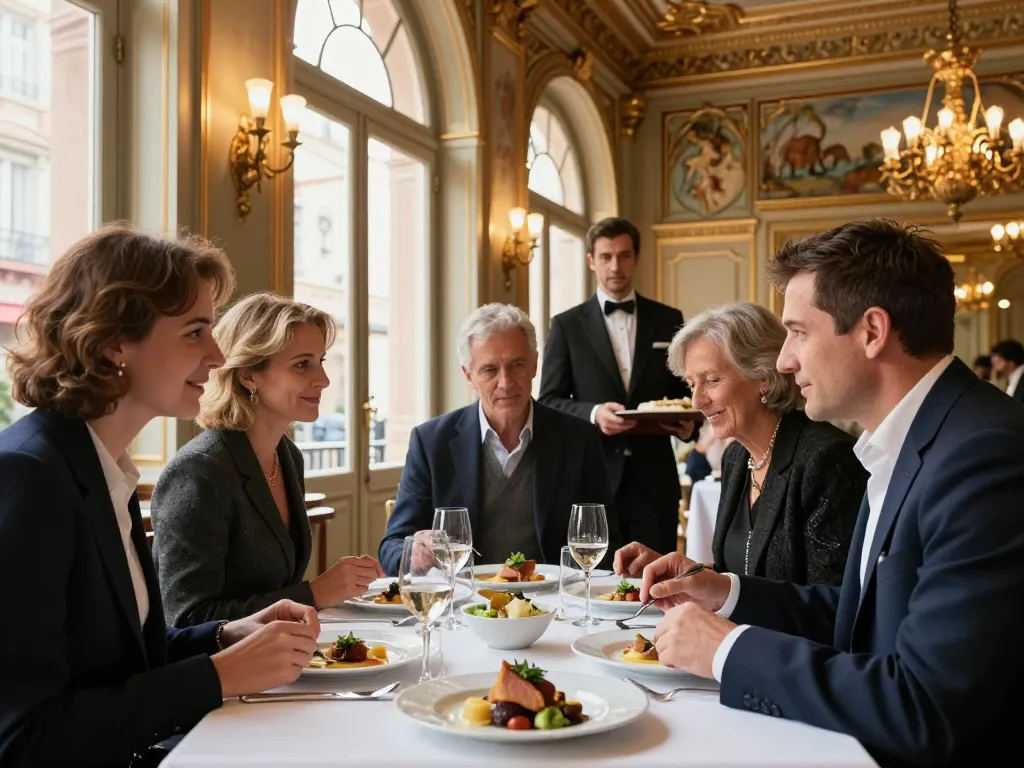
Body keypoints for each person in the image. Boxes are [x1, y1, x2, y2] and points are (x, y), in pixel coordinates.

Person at [622, 219, 1024, 768]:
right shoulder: (911, 440)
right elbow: (857, 616)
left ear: (872, 331)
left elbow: (927, 707)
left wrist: (727, 649)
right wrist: (726, 591)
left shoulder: (983, 454)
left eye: (798, 333)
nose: (785, 359)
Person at [0, 226, 321, 768]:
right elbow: (24, 737)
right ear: (113, 342)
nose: (218, 355)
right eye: (196, 332)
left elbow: (121, 660)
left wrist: (224, 635)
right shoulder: (28, 477)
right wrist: (219, 676)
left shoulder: (103, 468)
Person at [152, 293, 384, 627]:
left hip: (277, 660)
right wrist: (313, 594)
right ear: (248, 374)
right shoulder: (200, 470)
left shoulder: (287, 456)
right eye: (302, 364)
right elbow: (187, 620)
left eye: (321, 361)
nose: (323, 380)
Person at [620, 302, 864, 585]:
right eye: (691, 384)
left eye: (711, 380)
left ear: (763, 376)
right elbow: (737, 573)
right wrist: (680, 572)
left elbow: (831, 604)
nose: (698, 401)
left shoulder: (827, 459)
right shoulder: (737, 457)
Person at [379, 303, 621, 575]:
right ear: (469, 376)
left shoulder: (579, 438)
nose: (505, 383)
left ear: (534, 365)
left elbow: (606, 542)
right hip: (464, 605)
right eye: (489, 370)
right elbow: (392, 546)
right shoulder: (431, 442)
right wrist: (413, 553)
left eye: (516, 365)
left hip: (554, 604)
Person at [539, 217, 697, 556]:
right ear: (591, 260)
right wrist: (594, 413)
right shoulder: (566, 326)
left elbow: (687, 393)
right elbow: (549, 401)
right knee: (593, 584)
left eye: (624, 256)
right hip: (591, 483)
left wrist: (688, 425)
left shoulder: (668, 319)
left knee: (658, 588)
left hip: (654, 483)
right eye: (606, 256)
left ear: (636, 258)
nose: (616, 266)